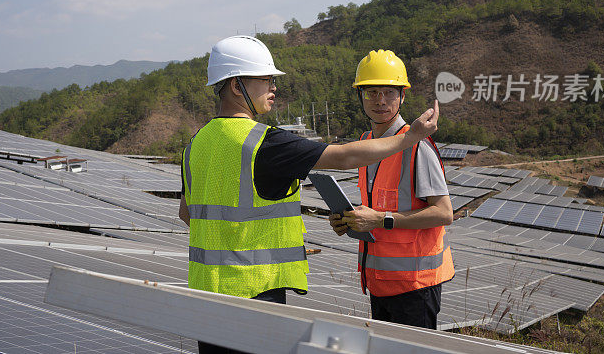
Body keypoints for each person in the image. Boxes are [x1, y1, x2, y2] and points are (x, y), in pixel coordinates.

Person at [178, 36, 439, 354]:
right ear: (236, 86)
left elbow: (188, 214)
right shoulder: (264, 143)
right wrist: (409, 137)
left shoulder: (196, 144)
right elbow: (343, 157)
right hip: (256, 296)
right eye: (266, 80)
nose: (273, 88)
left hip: (207, 299)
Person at [329, 50, 454, 330]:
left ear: (403, 96)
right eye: (371, 92)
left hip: (415, 287)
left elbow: (444, 213)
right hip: (380, 283)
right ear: (359, 96)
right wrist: (350, 221)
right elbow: (375, 207)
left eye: (389, 92)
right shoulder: (365, 144)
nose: (380, 101)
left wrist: (380, 219)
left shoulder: (417, 145)